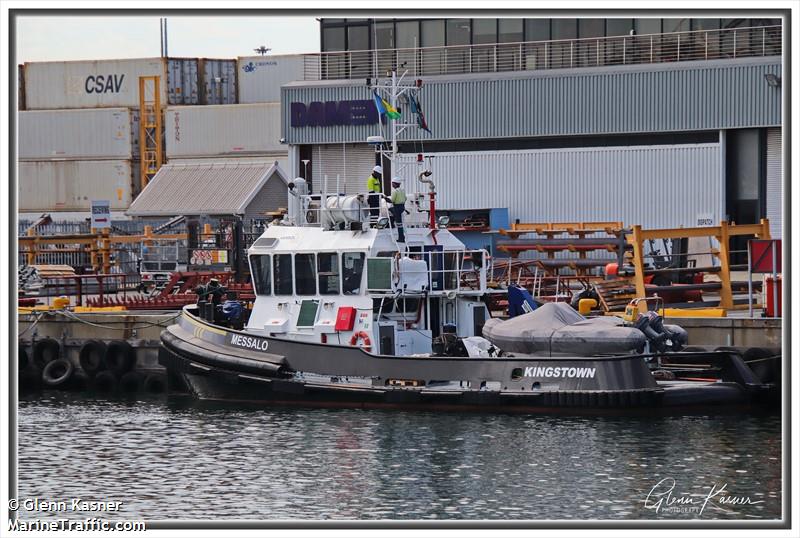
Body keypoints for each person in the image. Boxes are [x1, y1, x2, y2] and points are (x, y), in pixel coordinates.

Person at [389, 177, 407, 243]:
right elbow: (405, 198)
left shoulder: (395, 191)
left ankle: (401, 238)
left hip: (397, 208)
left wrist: (385, 198)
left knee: (399, 224)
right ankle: (392, 222)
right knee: (400, 223)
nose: (392, 185)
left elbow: (392, 200)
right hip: (402, 207)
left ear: (395, 184)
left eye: (392, 183)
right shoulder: (403, 190)